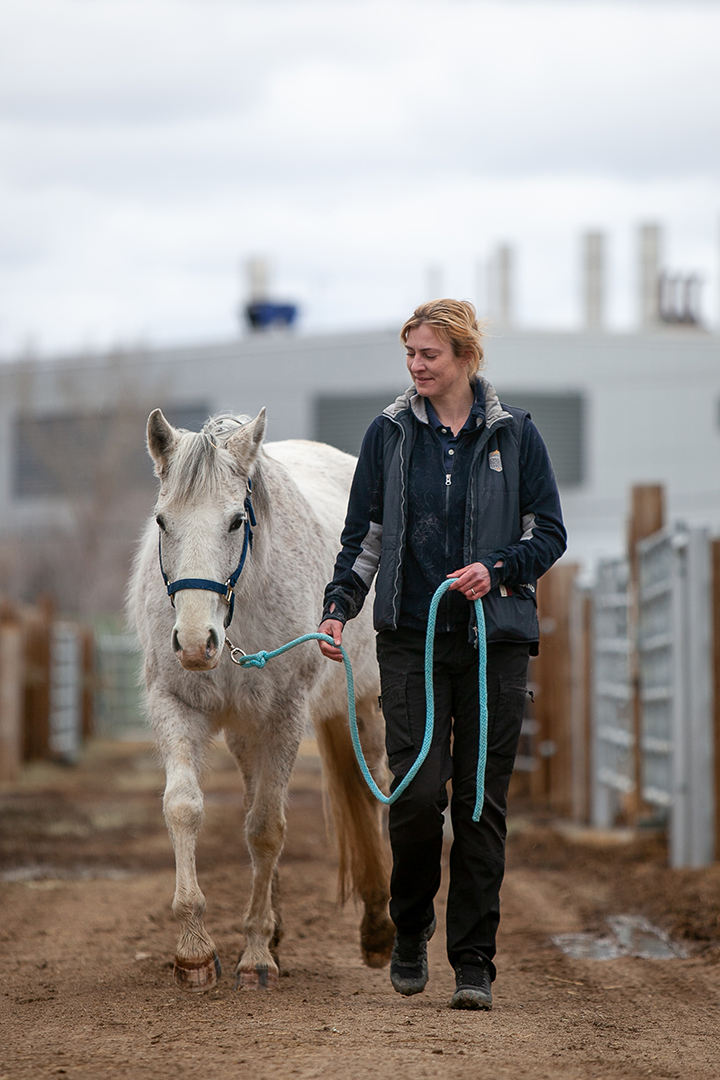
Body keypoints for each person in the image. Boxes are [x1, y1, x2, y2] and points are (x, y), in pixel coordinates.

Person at [318, 299, 566, 1010]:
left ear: (464, 357)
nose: (416, 366)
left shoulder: (516, 436)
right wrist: (338, 610)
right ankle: (410, 927)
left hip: (495, 640)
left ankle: (474, 964)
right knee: (420, 797)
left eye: (429, 355)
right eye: (410, 355)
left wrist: (503, 569)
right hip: (409, 642)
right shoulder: (390, 434)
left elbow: (548, 532)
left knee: (481, 804)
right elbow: (363, 536)